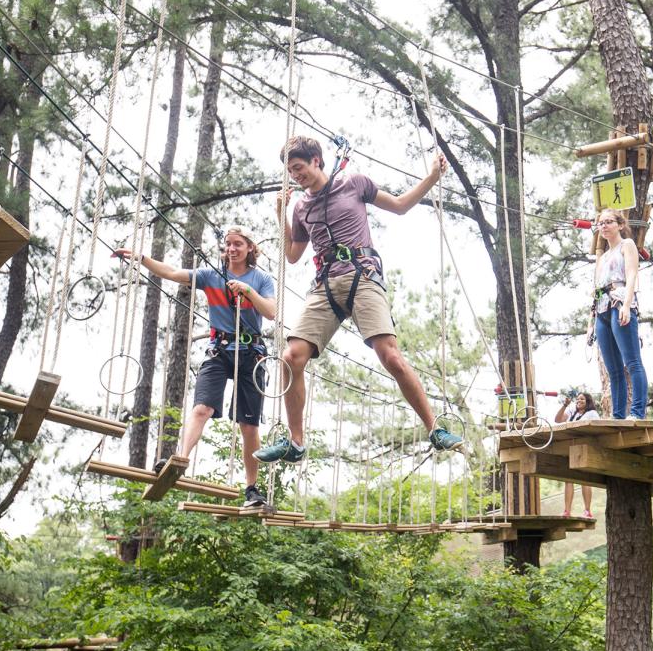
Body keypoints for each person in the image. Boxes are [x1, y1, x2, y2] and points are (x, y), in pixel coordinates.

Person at [256, 136, 463, 463]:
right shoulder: (302, 207)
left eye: (299, 168)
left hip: (362, 274)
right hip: (325, 283)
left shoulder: (353, 183)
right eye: (291, 172)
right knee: (291, 356)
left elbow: (399, 206)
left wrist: (431, 178)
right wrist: (281, 214)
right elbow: (293, 255)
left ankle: (435, 428)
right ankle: (296, 442)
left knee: (390, 357)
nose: (296, 176)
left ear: (316, 161)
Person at [115, 227, 277, 508]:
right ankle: (180, 459)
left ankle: (252, 488)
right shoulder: (211, 274)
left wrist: (248, 292)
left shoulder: (260, 279)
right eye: (228, 244)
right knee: (202, 408)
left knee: (248, 426)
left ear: (250, 248)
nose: (232, 249)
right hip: (218, 350)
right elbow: (173, 273)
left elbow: (272, 312)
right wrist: (142, 258)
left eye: (238, 244)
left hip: (251, 353)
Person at [592, 208, 647, 419]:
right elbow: (596, 289)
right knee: (613, 370)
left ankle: (637, 412)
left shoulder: (627, 245)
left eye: (608, 222)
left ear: (620, 225)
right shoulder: (603, 257)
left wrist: (626, 304)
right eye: (601, 223)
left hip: (619, 301)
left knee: (632, 362)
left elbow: (632, 275)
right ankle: (617, 416)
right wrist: (591, 322)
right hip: (602, 308)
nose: (604, 226)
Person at [554, 391, 600, 518]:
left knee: (585, 479)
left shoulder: (592, 414)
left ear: (588, 402)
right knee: (568, 479)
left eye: (582, 399)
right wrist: (564, 405)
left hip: (585, 448)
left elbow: (597, 430)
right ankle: (567, 511)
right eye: (578, 399)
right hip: (570, 448)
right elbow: (557, 420)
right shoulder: (571, 412)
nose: (579, 401)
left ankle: (587, 510)